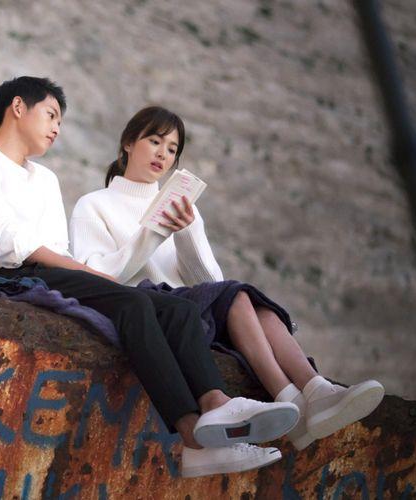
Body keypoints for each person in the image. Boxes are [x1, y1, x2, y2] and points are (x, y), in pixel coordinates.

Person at [0, 77, 300, 478]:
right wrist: (92, 274)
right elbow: (11, 244)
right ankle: (192, 439)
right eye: (51, 115)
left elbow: (57, 249)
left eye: (59, 120)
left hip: (51, 272)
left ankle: (216, 403)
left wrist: (87, 273)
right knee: (132, 302)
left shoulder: (45, 179)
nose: (57, 127)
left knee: (178, 309)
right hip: (5, 277)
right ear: (18, 107)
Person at [69, 106, 385, 453]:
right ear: (128, 143)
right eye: (155, 141)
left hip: (196, 310)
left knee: (253, 304)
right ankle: (290, 399)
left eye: (172, 149)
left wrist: (187, 232)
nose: (162, 154)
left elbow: (211, 281)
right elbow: (100, 276)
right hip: (157, 310)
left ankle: (316, 389)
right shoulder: (93, 205)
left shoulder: (183, 206)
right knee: (235, 295)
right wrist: (153, 233)